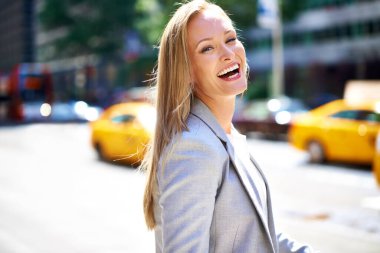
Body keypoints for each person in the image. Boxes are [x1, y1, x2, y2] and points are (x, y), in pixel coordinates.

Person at [142, 0, 316, 252]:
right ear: (187, 70)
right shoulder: (194, 149)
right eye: (207, 48)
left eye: (230, 38)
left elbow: (255, 234)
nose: (227, 53)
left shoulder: (226, 135)